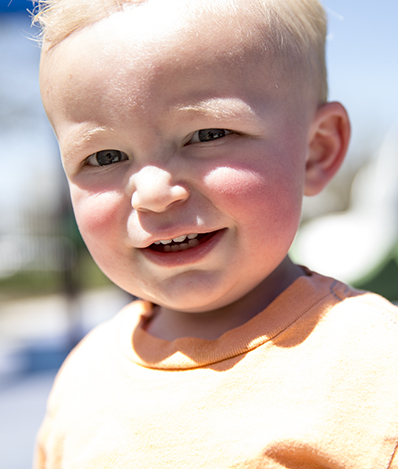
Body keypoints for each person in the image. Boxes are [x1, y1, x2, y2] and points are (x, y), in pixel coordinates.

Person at [33, 0, 398, 467]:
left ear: (315, 151)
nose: (153, 192)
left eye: (206, 135)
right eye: (104, 157)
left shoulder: (375, 365)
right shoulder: (83, 376)